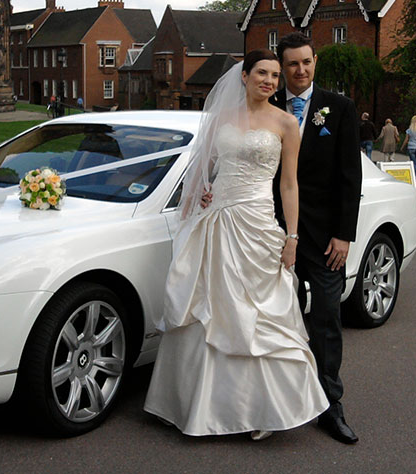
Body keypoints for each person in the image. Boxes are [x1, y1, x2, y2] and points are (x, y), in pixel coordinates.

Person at [144, 49, 329, 440]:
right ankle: (189, 403)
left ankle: (263, 409)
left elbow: (289, 184)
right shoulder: (220, 119)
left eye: (276, 76)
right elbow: (202, 168)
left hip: (258, 225)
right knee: (207, 309)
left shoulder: (286, 123)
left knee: (258, 315)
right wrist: (204, 191)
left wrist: (292, 236)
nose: (270, 80)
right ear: (243, 77)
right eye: (262, 72)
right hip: (216, 223)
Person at [270, 32, 362, 444]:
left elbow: (349, 176)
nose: (300, 70)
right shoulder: (264, 105)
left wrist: (343, 235)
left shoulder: (339, 109)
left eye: (306, 62)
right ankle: (274, 399)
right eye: (292, 64)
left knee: (326, 318)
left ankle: (330, 404)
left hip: (326, 239)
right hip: (271, 234)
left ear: (315, 61)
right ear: (282, 66)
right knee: (271, 320)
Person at [401, 115, 416, 181]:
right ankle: (414, 174)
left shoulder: (409, 130)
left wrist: (402, 147)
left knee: (413, 162)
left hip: (411, 147)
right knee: (415, 162)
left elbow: (406, 140)